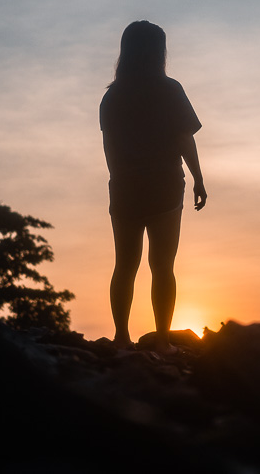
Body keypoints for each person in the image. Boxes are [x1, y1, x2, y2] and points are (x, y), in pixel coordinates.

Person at [100, 20, 207, 353]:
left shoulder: (112, 96)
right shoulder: (170, 90)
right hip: (165, 187)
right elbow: (183, 138)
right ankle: (162, 341)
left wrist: (122, 180)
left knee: (125, 265)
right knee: (163, 267)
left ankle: (121, 338)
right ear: (159, 51)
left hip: (126, 188)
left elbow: (110, 148)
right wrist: (199, 179)